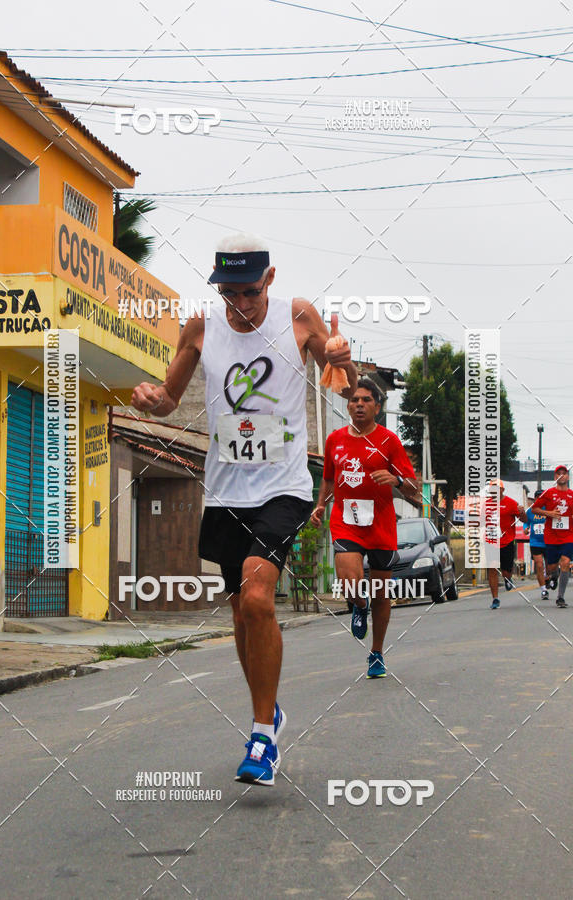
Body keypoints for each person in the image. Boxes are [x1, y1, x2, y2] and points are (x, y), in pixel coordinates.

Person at [131, 234, 358, 785]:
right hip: (228, 489)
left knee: (258, 593)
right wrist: (151, 400)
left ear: (270, 280)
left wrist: (339, 358)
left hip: (283, 486)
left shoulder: (297, 317)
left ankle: (262, 735)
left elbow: (341, 378)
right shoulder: (201, 327)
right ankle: (269, 707)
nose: (240, 304)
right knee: (240, 611)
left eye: (249, 292)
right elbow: (169, 395)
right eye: (228, 293)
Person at [310, 378, 417, 678]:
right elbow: (329, 479)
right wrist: (321, 504)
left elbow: (413, 488)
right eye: (354, 399)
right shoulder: (335, 440)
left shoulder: (389, 442)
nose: (359, 404)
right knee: (349, 580)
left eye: (366, 400)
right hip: (346, 520)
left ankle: (377, 653)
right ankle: (359, 603)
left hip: (380, 524)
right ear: (348, 405)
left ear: (377, 407)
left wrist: (395, 480)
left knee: (382, 593)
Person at [531, 465, 573, 608]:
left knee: (566, 562)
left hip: (568, 535)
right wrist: (549, 513)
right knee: (551, 566)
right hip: (551, 536)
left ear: (568, 477)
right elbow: (534, 508)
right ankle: (553, 575)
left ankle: (560, 597)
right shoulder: (548, 493)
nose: (562, 476)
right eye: (558, 473)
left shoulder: (572, 495)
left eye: (564, 473)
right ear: (555, 477)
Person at [485, 481, 526, 609]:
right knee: (492, 569)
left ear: (502, 490)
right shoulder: (485, 504)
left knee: (506, 571)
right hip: (491, 541)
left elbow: (524, 520)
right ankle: (495, 599)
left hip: (507, 541)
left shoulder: (511, 503)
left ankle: (508, 579)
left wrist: (522, 512)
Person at [523, 490, 549, 600]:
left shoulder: (549, 508)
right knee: (539, 565)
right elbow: (526, 522)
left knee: (550, 567)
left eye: (542, 497)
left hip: (549, 542)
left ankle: (550, 578)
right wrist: (525, 529)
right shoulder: (530, 510)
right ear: (535, 499)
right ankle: (543, 590)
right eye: (538, 497)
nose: (540, 499)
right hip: (535, 542)